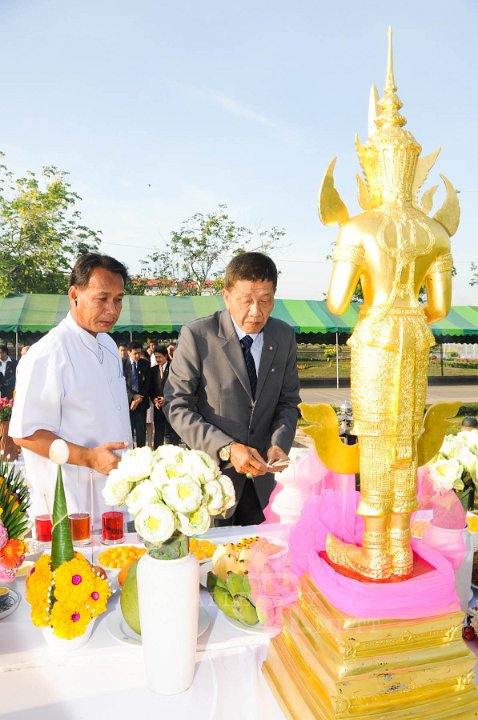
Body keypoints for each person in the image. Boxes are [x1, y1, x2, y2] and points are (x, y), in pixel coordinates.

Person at [163, 252, 300, 525]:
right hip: (213, 483)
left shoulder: (283, 336)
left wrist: (278, 445)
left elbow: (287, 402)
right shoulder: (198, 336)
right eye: (246, 300)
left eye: (265, 300)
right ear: (226, 296)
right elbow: (176, 404)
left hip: (264, 484)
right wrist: (226, 448)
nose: (256, 312)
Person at [9, 253, 132, 526]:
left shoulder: (109, 347)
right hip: (70, 509)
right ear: (74, 295)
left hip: (113, 501)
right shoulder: (48, 354)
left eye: (118, 299)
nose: (112, 310)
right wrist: (88, 457)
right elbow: (25, 434)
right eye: (102, 298)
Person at [150, 346, 180, 447]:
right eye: (156, 357)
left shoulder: (174, 368)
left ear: (166, 356)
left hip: (171, 406)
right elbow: (151, 388)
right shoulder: (153, 370)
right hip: (158, 407)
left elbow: (177, 387)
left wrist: (166, 399)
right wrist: (154, 399)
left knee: (172, 432)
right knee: (158, 432)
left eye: (160, 357)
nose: (158, 359)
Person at [124, 341, 150, 447]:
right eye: (135, 353)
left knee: (141, 432)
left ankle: (141, 454)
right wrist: (133, 397)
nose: (138, 355)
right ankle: (130, 454)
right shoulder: (121, 364)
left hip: (141, 403)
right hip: (127, 403)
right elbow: (122, 383)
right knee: (128, 432)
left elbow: (148, 383)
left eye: (139, 353)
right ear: (129, 352)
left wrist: (139, 398)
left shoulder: (145, 364)